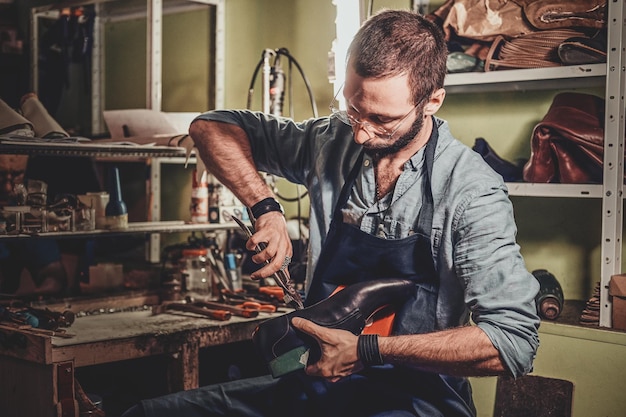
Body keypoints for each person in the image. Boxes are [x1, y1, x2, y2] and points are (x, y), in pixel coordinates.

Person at [122, 9, 540, 417]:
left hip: (418, 396)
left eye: (382, 120)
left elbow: (512, 341)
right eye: (353, 109)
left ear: (432, 102)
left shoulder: (471, 190)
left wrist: (366, 351)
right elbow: (209, 127)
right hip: (318, 381)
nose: (360, 133)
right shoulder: (331, 141)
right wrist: (266, 208)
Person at [0, 154, 68, 297]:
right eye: (0, 175)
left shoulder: (19, 215)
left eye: (17, 175)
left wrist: (31, 296)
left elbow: (53, 273)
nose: (7, 188)